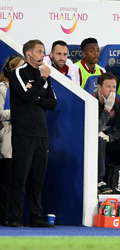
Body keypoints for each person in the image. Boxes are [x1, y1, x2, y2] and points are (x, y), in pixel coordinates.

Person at [7, 40, 57, 227]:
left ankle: (36, 216)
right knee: (20, 176)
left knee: (38, 177)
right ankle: (15, 217)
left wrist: (35, 94)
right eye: (38, 51)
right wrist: (41, 83)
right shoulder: (19, 73)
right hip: (23, 132)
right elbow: (26, 97)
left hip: (41, 133)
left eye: (43, 51)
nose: (42, 55)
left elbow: (52, 103)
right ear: (28, 54)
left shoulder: (44, 75)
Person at [0, 54, 25, 226]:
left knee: (18, 180)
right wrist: (18, 114)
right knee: (6, 181)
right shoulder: (3, 88)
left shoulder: (25, 88)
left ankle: (15, 216)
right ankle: (4, 216)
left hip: (23, 137)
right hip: (7, 136)